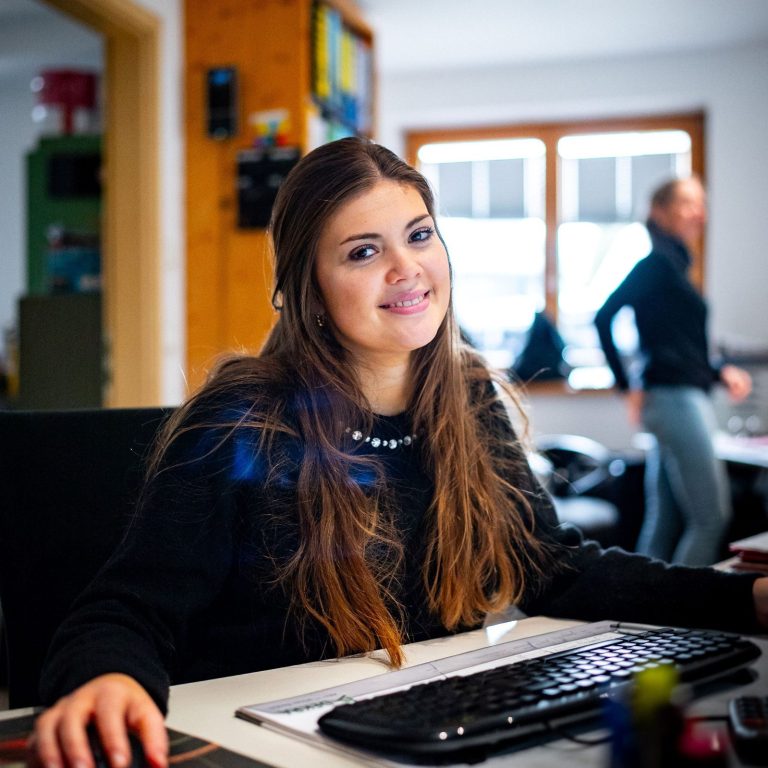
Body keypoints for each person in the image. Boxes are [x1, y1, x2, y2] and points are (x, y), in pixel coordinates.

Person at [32, 140, 768, 768]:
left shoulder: (468, 398)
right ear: (309, 289)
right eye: (363, 251)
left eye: (419, 235)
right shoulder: (243, 420)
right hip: (270, 747)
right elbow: (126, 611)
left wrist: (744, 600)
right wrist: (107, 680)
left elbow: (554, 569)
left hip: (423, 737)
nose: (406, 268)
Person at [594, 177, 752, 566]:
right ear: (659, 211)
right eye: (687, 203)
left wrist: (719, 373)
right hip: (675, 400)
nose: (698, 213)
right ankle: (683, 601)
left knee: (665, 519)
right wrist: (625, 386)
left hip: (677, 396)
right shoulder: (656, 266)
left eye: (701, 204)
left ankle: (640, 599)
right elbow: (604, 317)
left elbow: (679, 349)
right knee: (711, 518)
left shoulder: (676, 267)